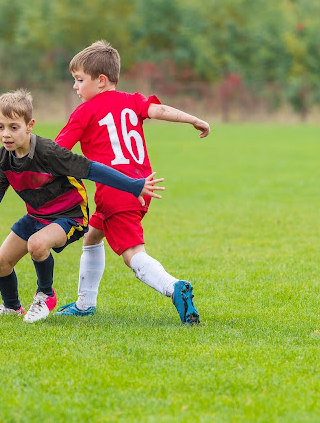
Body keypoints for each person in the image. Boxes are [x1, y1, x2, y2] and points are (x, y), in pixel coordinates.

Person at [0, 89, 164, 323]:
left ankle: (45, 295)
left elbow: (92, 169)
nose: (6, 134)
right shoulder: (5, 156)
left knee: (37, 244)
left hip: (70, 216)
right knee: (0, 263)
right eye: (0, 127)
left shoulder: (48, 153)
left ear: (30, 125)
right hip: (37, 216)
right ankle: (11, 307)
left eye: (13, 127)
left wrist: (133, 185)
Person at [54, 40, 211, 324]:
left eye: (79, 80)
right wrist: (194, 120)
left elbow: (57, 151)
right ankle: (85, 303)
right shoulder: (132, 100)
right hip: (141, 185)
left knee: (133, 255)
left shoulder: (84, 112)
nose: (75, 87)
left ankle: (173, 287)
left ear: (101, 81)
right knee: (91, 237)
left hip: (116, 191)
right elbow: (159, 111)